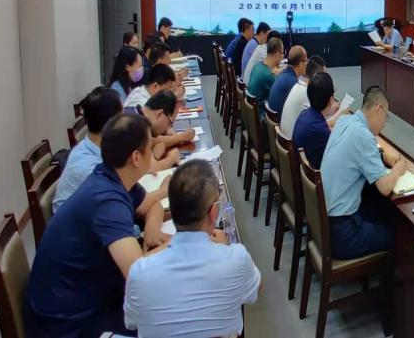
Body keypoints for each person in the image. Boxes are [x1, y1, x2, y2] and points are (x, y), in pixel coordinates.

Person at [24, 114, 169, 337]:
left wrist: (151, 232)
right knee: (172, 320)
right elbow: (138, 274)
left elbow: (150, 205)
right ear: (136, 157)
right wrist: (185, 242)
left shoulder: (112, 177)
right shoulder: (106, 200)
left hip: (92, 297)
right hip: (70, 323)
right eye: (150, 148)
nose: (153, 152)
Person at [124, 160, 261, 337]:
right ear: (213, 212)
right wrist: (225, 250)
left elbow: (132, 322)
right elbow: (254, 289)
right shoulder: (237, 259)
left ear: (171, 209)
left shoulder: (139, 273)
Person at [321, 87, 407, 259]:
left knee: (377, 207)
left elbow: (353, 154)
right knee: (400, 234)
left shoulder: (344, 121)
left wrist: (381, 156)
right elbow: (385, 188)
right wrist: (399, 168)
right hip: (344, 234)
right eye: (386, 117)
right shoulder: (363, 136)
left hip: (326, 220)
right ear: (378, 109)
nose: (384, 124)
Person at [54, 87, 163, 213]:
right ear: (113, 123)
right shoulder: (90, 168)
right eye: (123, 115)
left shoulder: (95, 147)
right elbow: (139, 207)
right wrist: (165, 189)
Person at [294, 72, 340, 168]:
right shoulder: (321, 131)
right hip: (319, 175)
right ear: (331, 99)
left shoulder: (303, 115)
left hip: (302, 171)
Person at [280, 55, 331, 138]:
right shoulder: (306, 92)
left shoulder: (299, 85)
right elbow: (318, 124)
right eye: (324, 77)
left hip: (288, 138)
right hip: (292, 142)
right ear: (316, 77)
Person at [269, 45, 307, 115]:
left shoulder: (283, 74)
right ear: (300, 63)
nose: (307, 64)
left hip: (273, 118)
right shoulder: (293, 84)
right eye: (306, 60)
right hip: (280, 120)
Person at [248, 37, 284, 107]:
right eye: (282, 54)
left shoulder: (258, 66)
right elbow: (282, 95)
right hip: (261, 112)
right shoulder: (269, 76)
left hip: (252, 110)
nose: (283, 57)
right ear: (277, 54)